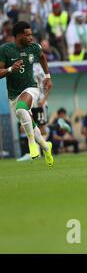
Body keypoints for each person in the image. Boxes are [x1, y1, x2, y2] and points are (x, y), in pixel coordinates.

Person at [0, 21, 54, 167]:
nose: (31, 37)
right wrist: (11, 69)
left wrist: (48, 77)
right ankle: (46, 147)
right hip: (13, 95)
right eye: (28, 35)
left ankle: (32, 143)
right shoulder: (5, 50)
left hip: (31, 88)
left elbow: (42, 57)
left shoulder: (34, 47)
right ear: (18, 35)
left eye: (31, 34)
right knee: (28, 120)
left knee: (22, 109)